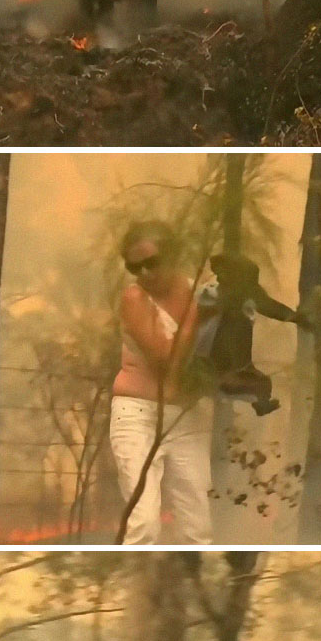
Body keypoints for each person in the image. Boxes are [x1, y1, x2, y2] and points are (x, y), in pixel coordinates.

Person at [111, 221, 213, 546]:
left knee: (198, 528)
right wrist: (195, 318)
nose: (144, 273)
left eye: (151, 262)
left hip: (186, 416)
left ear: (172, 255)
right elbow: (165, 358)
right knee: (143, 526)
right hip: (137, 414)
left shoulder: (200, 292)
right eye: (134, 266)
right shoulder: (135, 298)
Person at [188, 251, 311, 415]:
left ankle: (260, 404)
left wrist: (296, 318)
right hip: (215, 357)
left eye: (223, 274)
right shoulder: (214, 293)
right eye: (219, 274)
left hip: (234, 361)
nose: (219, 278)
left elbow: (271, 307)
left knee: (260, 383)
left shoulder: (245, 293)